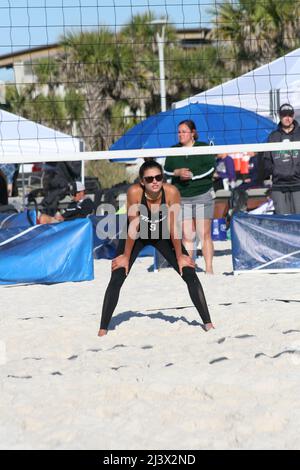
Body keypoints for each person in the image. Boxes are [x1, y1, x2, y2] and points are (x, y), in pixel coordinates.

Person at [98, 159, 214, 337]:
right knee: (118, 274)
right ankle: (103, 329)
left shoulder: (171, 192)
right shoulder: (135, 192)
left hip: (163, 234)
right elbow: (133, 226)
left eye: (158, 177)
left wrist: (180, 255)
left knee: (189, 272)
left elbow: (174, 226)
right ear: (142, 182)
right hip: (136, 235)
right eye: (150, 178)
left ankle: (208, 323)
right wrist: (126, 257)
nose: (155, 182)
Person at [164, 120, 216, 274]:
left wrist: (192, 176)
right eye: (179, 132)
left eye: (184, 131)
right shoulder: (173, 150)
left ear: (193, 133)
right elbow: (165, 171)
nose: (180, 134)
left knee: (203, 233)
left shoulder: (203, 148)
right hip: (182, 197)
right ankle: (190, 268)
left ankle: (209, 268)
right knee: (187, 235)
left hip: (202, 195)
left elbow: (211, 168)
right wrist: (177, 173)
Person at [263, 103, 300, 214]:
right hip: (279, 185)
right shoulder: (273, 136)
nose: (287, 118)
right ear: (280, 116)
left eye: (290, 115)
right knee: (283, 221)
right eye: (284, 115)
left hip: (298, 184)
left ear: (293, 116)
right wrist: (274, 171)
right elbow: (266, 159)